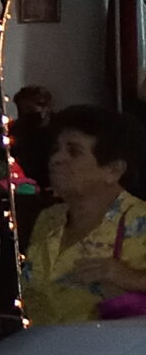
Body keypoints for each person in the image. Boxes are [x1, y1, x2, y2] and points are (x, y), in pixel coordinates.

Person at [21, 105, 146, 325]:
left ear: (113, 170)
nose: (56, 159)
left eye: (74, 151)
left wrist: (131, 278)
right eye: (56, 149)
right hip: (43, 353)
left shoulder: (140, 221)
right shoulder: (49, 219)